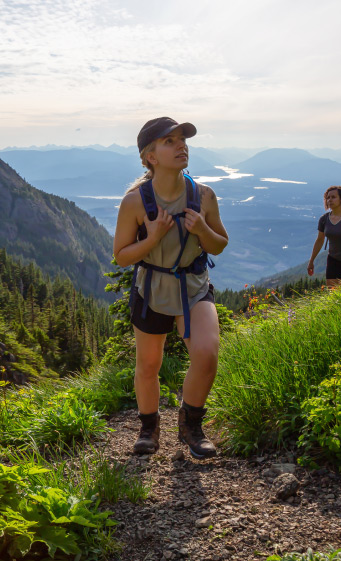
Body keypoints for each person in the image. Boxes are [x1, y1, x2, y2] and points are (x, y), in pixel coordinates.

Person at [113, 117, 228, 459]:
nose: (181, 146)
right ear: (150, 156)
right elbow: (121, 256)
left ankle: (191, 425)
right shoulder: (135, 202)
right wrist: (154, 237)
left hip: (193, 285)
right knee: (148, 365)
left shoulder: (203, 196)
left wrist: (203, 230)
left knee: (206, 353)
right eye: (170, 141)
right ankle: (148, 428)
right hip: (151, 289)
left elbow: (219, 244)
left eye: (182, 140)